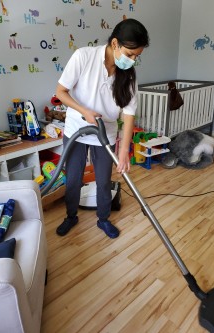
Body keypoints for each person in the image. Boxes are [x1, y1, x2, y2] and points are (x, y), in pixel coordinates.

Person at [55, 18, 149, 239]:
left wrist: (124, 151)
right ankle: (70, 216)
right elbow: (60, 92)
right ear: (115, 43)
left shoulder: (128, 76)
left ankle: (103, 219)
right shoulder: (83, 56)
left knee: (104, 181)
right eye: (130, 54)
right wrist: (84, 111)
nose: (133, 60)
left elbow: (128, 115)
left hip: (105, 135)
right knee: (74, 178)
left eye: (137, 57)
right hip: (77, 129)